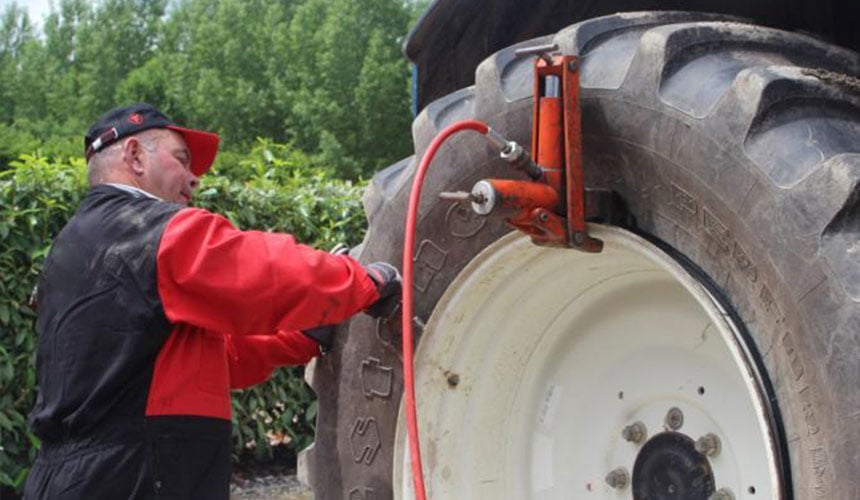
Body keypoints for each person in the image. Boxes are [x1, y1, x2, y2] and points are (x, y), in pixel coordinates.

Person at [24, 103, 401, 499]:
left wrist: (304, 335)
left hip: (70, 480)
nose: (195, 178)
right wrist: (364, 280)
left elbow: (204, 359)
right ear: (134, 156)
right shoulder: (152, 231)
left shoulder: (70, 251)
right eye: (181, 159)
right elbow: (262, 273)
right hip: (132, 479)